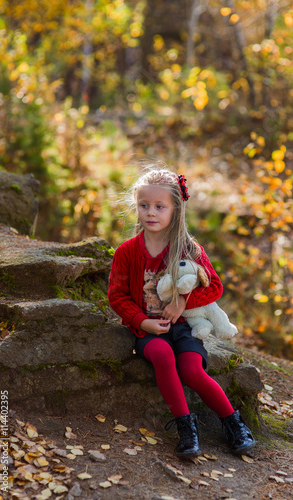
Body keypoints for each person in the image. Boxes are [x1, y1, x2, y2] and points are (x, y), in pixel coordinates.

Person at [108, 166, 255, 457]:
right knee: (163, 355)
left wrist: (184, 303)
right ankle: (186, 428)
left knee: (190, 368)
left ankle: (233, 423)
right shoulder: (126, 252)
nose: (151, 212)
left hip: (185, 327)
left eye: (160, 206)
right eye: (144, 205)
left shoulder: (188, 248)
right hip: (149, 330)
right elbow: (117, 296)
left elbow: (214, 286)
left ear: (176, 209)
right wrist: (141, 322)